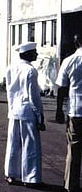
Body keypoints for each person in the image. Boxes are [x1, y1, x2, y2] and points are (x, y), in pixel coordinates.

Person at [4, 42, 45, 188]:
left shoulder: (10, 68)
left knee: (13, 144)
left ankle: (10, 174)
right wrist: (40, 115)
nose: (37, 54)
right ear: (27, 54)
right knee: (30, 146)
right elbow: (34, 96)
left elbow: (9, 91)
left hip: (14, 111)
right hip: (27, 112)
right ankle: (31, 178)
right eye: (34, 52)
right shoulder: (30, 70)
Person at [55, 34, 82, 192]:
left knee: (74, 149)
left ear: (76, 42)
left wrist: (59, 110)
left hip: (76, 111)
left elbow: (62, 88)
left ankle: (71, 185)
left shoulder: (69, 60)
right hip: (76, 110)